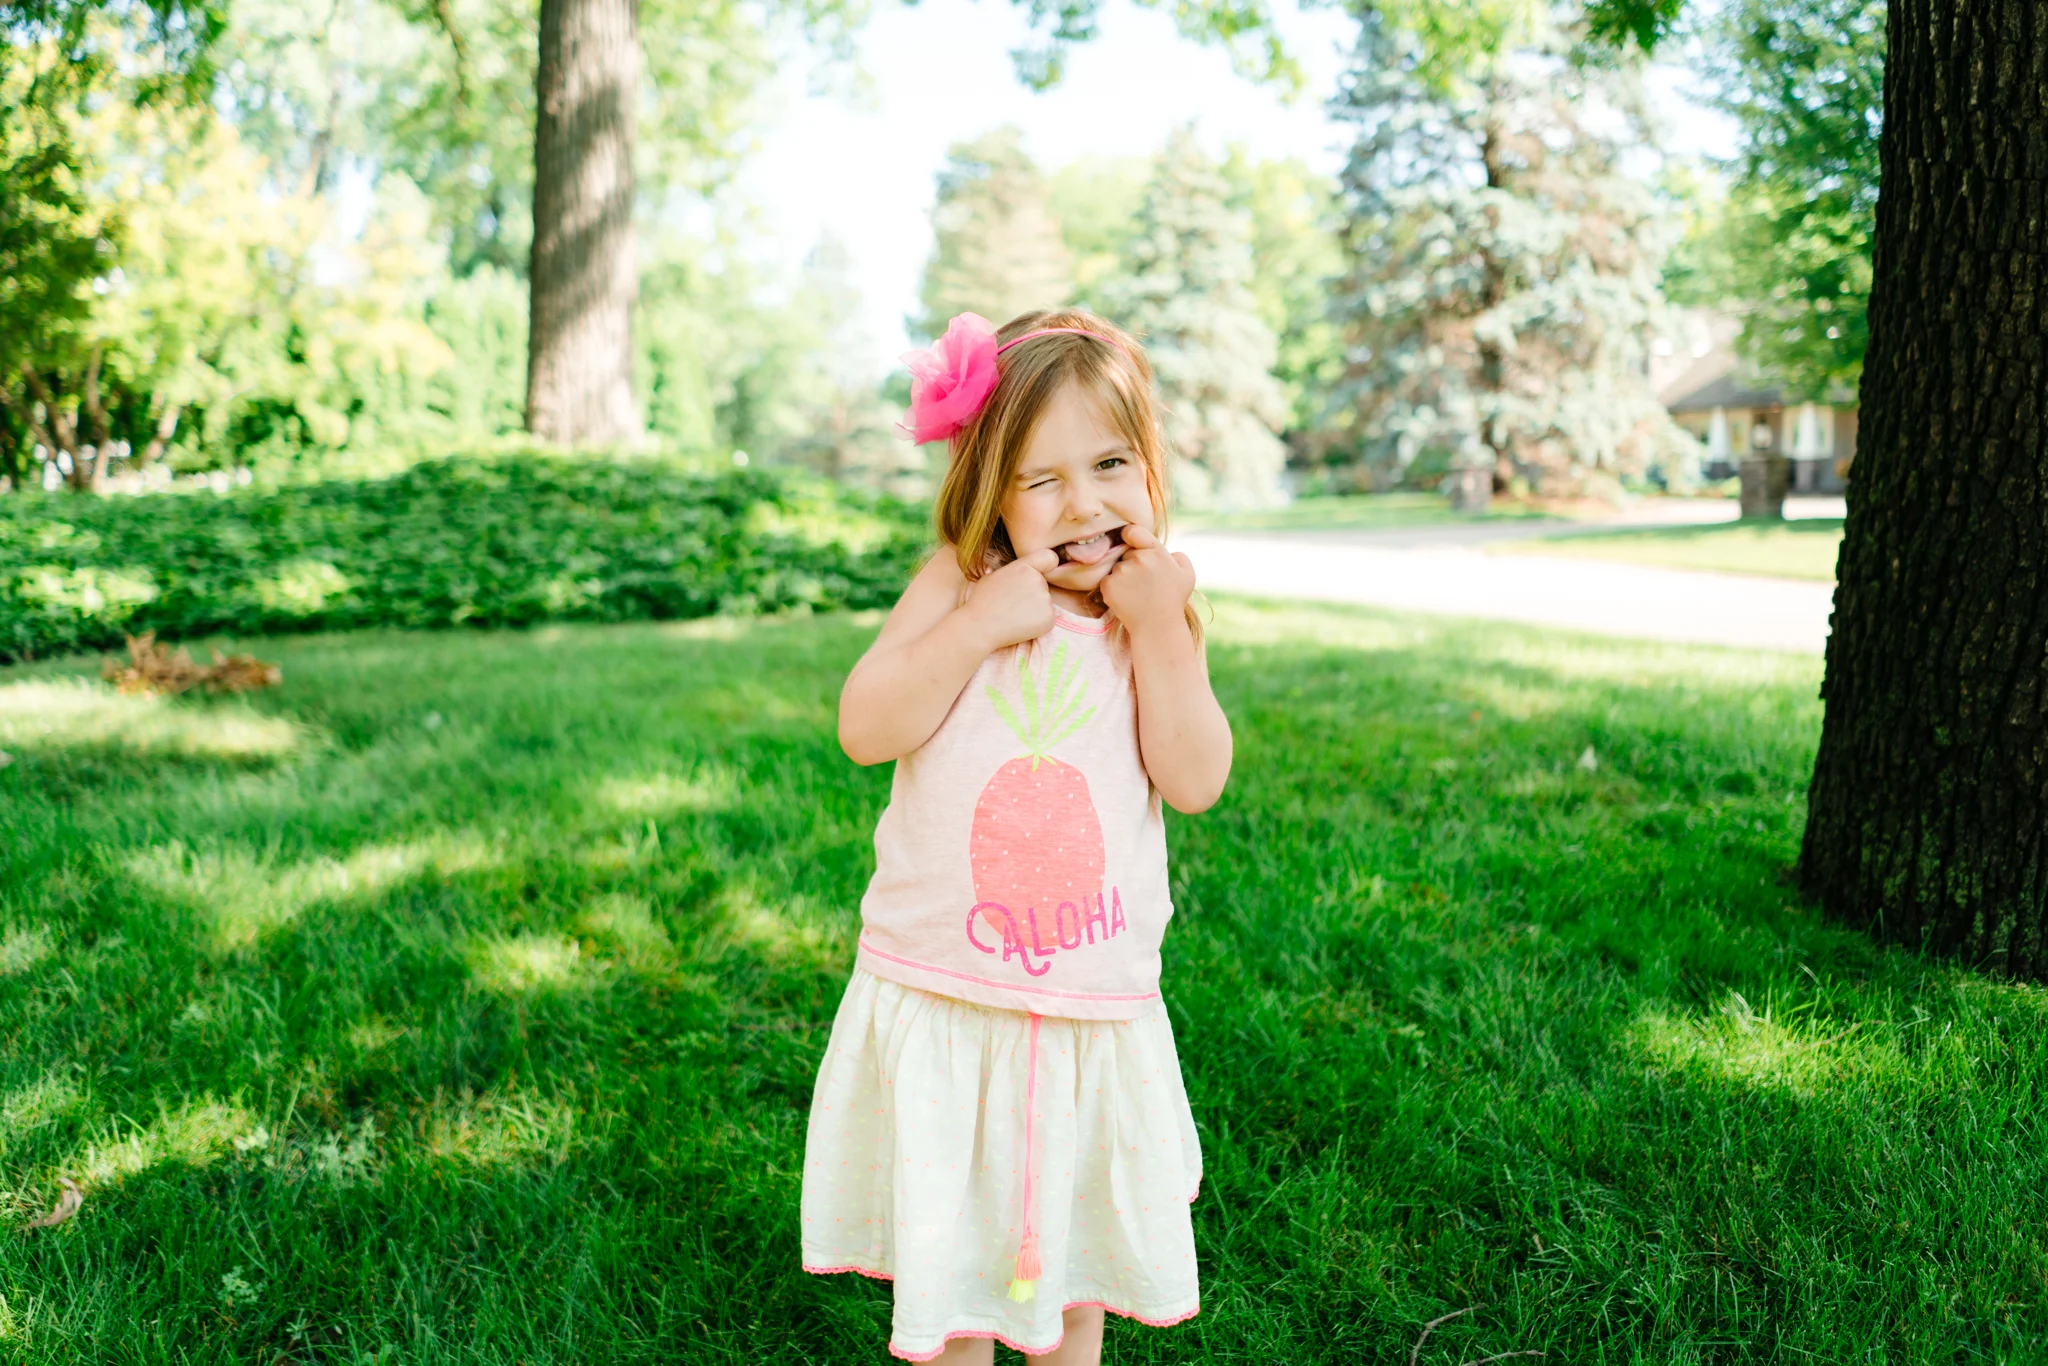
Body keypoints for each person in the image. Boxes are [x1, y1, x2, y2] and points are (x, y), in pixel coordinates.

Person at [801, 309, 1234, 1363]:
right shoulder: (958, 584)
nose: (1084, 504)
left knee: (1072, 1282)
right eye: (1042, 480)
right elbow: (866, 727)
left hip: (1089, 1007)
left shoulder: (1150, 614)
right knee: (953, 1281)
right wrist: (977, 624)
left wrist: (1159, 627)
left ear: (1150, 470)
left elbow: (1194, 780)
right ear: (990, 490)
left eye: (1110, 465)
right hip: (947, 992)